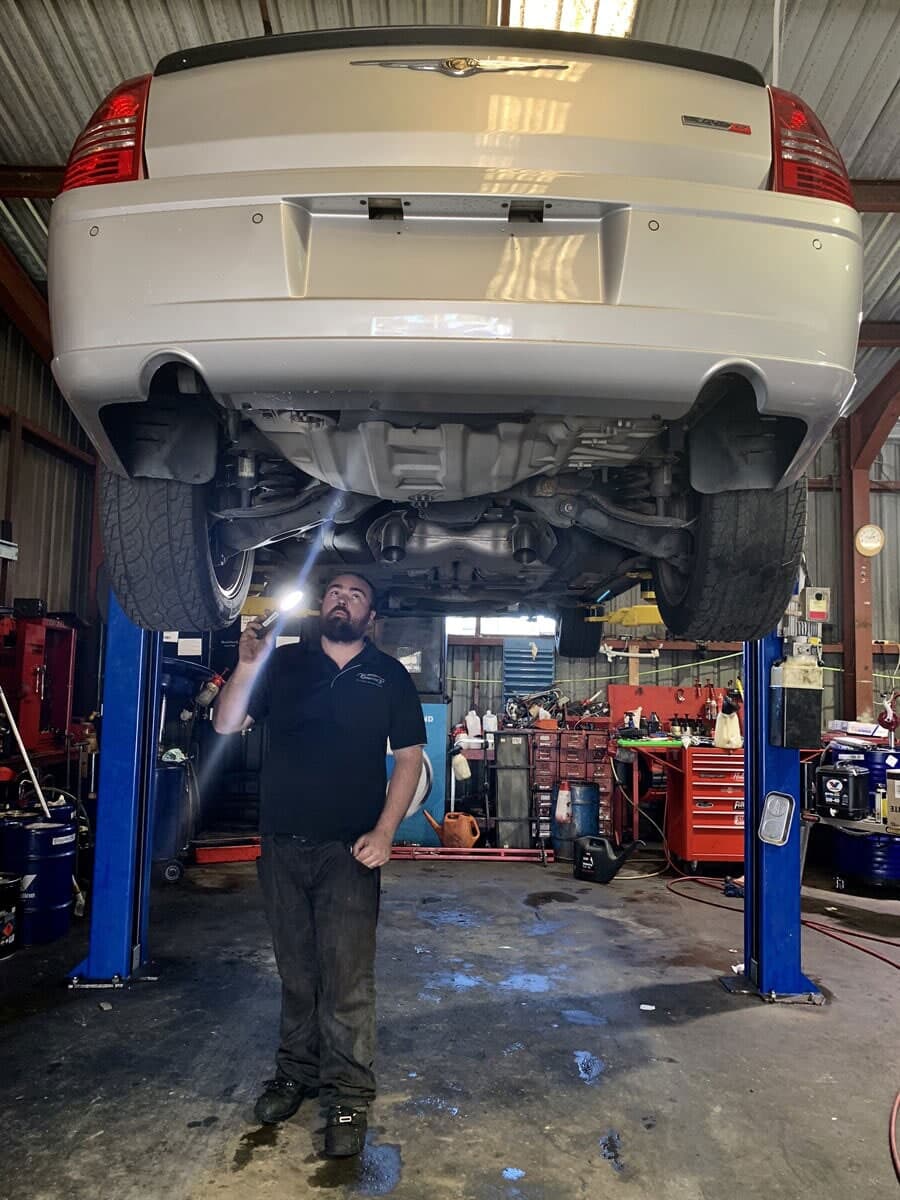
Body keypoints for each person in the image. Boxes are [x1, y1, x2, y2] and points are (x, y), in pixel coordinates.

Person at [213, 572, 426, 1157]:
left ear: (371, 617)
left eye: (357, 594)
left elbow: (409, 759)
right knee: (296, 975)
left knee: (348, 982)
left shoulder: (389, 676)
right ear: (321, 605)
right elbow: (227, 723)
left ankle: (349, 1094)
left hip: (349, 852)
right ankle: (294, 1074)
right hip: (281, 847)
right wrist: (246, 663)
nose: (343, 598)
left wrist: (385, 833)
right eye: (334, 590)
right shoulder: (282, 664)